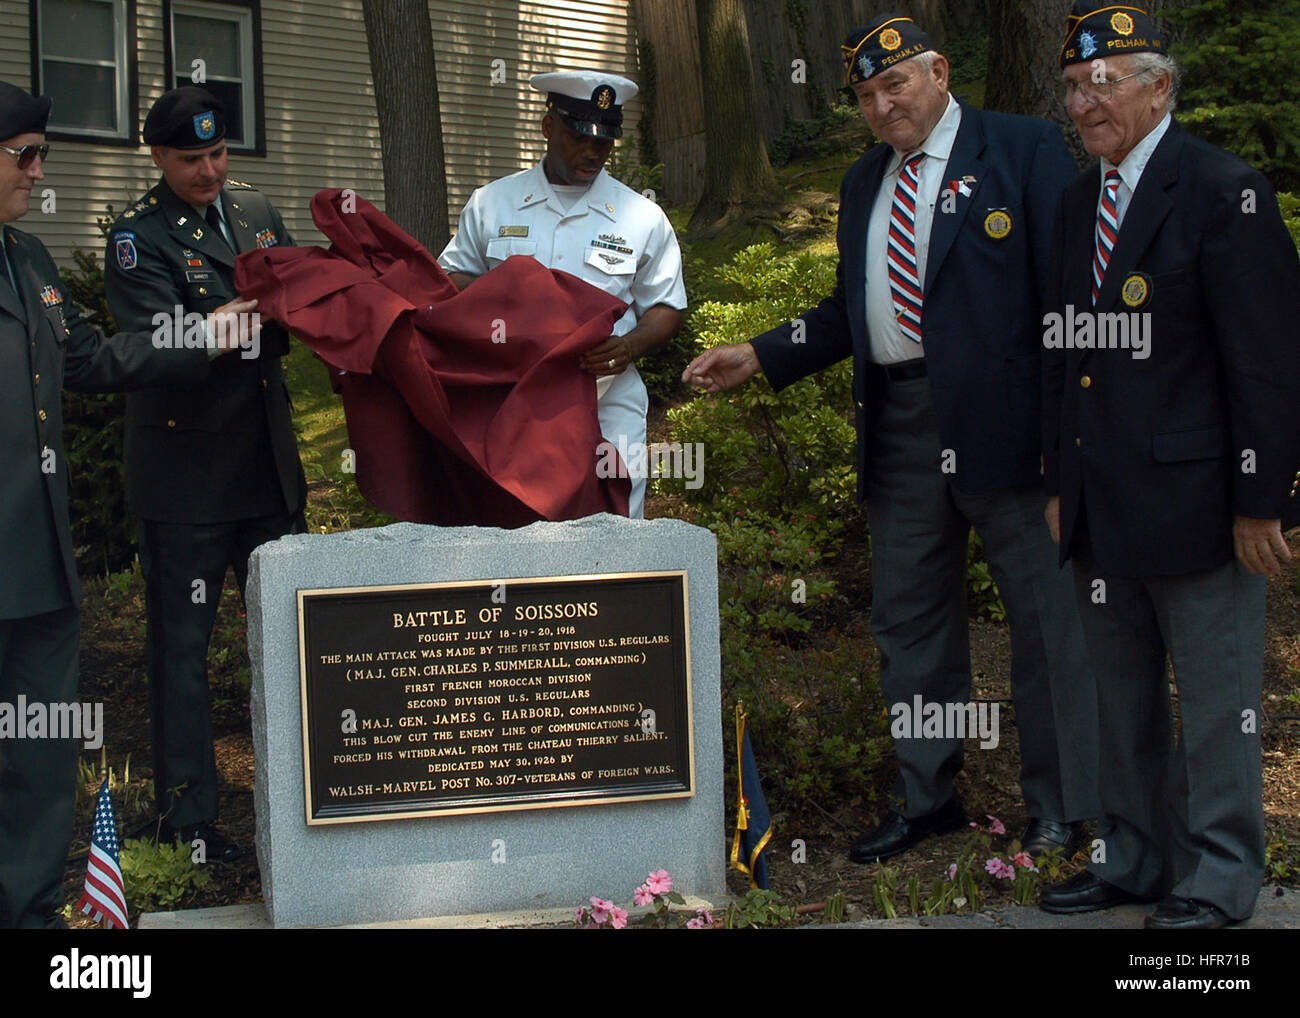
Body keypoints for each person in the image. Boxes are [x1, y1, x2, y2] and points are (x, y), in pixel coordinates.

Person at [683, 14, 1098, 863]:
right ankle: (928, 797)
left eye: (895, 84)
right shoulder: (867, 183)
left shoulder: (1024, 151)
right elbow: (851, 310)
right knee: (910, 624)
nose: (881, 106)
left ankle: (1063, 808)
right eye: (866, 96)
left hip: (1014, 432)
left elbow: (1069, 302)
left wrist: (1069, 437)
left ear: (940, 71)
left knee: (1047, 623)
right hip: (902, 425)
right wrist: (759, 354)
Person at [1040, 3, 1300, 929]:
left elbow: (1266, 361)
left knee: (1219, 697)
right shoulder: (1080, 204)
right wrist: (1059, 486)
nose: (1084, 103)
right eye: (1073, 88)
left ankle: (1224, 874)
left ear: (1158, 85)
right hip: (1101, 502)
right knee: (1120, 697)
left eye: (1102, 82)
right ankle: (1136, 857)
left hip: (1201, 501)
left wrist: (1263, 499)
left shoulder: (1225, 189)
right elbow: (1066, 356)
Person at [0, 80, 257, 927]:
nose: (39, 174)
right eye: (24, 157)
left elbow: (89, 360)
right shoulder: (110, 244)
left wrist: (202, 333)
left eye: (41, 156)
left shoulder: (28, 260)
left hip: (37, 555)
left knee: (37, 755)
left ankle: (32, 913)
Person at [103, 86, 305, 863]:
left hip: (265, 467)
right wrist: (240, 317)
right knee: (182, 654)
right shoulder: (140, 238)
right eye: (192, 158)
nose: (211, 170)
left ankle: (297, 800)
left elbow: (290, 311)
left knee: (288, 641)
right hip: (185, 479)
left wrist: (244, 317)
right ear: (158, 156)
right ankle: (188, 822)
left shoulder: (255, 212)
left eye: (220, 154)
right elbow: (160, 341)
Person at [438, 70, 687, 519]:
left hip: (606, 405)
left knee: (615, 537)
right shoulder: (493, 203)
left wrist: (630, 345)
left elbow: (666, 305)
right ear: (548, 127)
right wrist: (504, 301)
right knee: (513, 532)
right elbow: (449, 281)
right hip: (508, 405)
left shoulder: (641, 217)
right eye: (579, 137)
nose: (593, 152)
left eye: (604, 142)